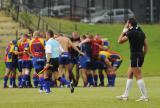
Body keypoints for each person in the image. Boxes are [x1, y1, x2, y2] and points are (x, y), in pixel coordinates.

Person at [117, 18, 148, 101]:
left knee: (138, 75)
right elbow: (146, 47)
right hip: (139, 55)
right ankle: (125, 95)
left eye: (127, 23)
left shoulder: (130, 32)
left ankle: (145, 97)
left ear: (129, 24)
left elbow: (119, 41)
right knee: (130, 74)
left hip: (135, 56)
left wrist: (124, 30)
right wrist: (142, 56)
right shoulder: (142, 32)